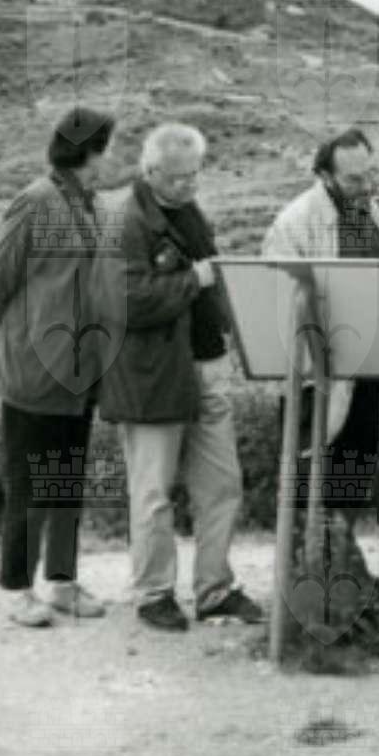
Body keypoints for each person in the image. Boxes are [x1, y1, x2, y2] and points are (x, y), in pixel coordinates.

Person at [96, 122, 264, 631]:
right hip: (152, 376)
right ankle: (154, 593)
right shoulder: (122, 220)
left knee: (221, 484)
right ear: (149, 171)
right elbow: (124, 300)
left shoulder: (190, 211)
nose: (189, 185)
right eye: (177, 178)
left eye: (194, 175)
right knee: (153, 492)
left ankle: (215, 590)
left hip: (207, 365)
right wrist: (194, 279)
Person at [0, 105, 117, 629]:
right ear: (89, 151)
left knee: (67, 480)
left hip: (80, 370)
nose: (110, 157)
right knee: (29, 483)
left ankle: (62, 582)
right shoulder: (35, 201)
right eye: (106, 147)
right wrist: (14, 331)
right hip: (34, 367)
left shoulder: (94, 205)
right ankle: (19, 589)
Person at [262, 127, 379, 595]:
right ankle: (302, 583)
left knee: (353, 471)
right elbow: (277, 300)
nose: (365, 187)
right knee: (308, 478)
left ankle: (344, 571)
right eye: (353, 180)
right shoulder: (295, 221)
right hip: (315, 373)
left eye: (369, 176)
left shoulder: (368, 209)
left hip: (365, 364)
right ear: (325, 175)